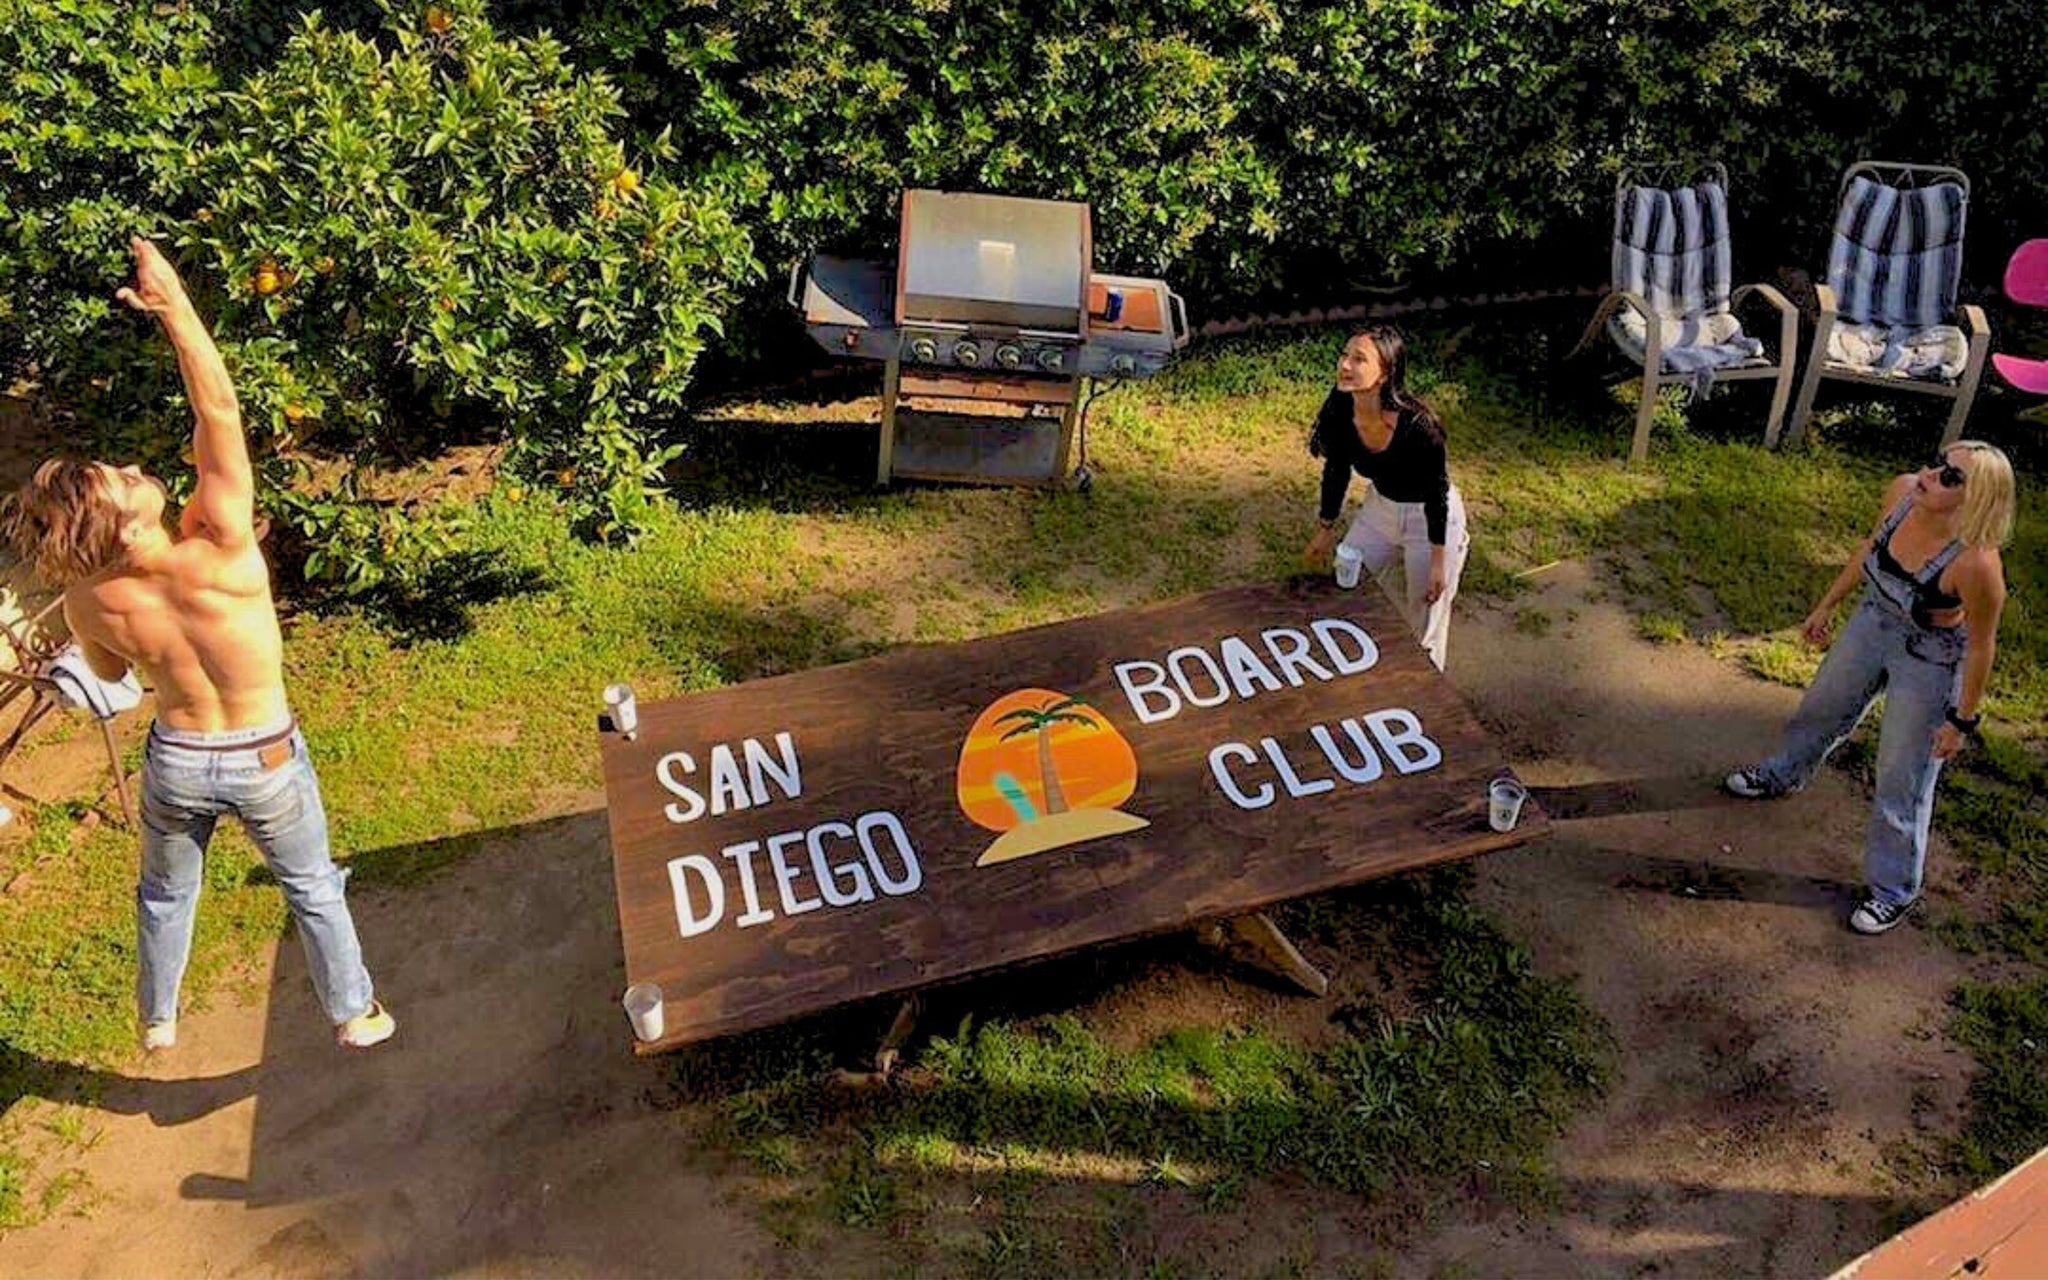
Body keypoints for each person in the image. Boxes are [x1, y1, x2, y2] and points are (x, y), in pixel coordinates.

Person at [2, 238, 394, 1051]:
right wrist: (175, 306)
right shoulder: (219, 543)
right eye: (123, 479)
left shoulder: (88, 601)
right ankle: (354, 1014)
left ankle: (159, 1017)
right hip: (265, 756)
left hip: (178, 761)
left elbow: (111, 677)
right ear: (127, 525)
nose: (132, 465)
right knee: (312, 885)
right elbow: (218, 412)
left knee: (164, 894)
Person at [1725, 442, 2015, 935]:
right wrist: (1826, 606)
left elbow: (1980, 646)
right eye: (1938, 461)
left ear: (1976, 501)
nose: (1930, 474)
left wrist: (1960, 720)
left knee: (1903, 772)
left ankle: (1893, 890)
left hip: (1930, 656)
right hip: (1872, 620)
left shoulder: (1978, 565)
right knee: (1822, 709)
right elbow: (1869, 548)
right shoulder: (1902, 492)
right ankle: (1783, 774)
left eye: (1950, 477)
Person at [1303, 326, 1471, 670]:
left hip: (1430, 518)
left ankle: (1426, 691)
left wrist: (1439, 561)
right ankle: (1352, 672)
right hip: (1379, 510)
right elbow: (1336, 471)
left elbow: (1436, 492)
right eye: (1344, 355)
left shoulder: (1419, 425)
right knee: (1345, 583)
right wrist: (1325, 529)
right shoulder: (1340, 409)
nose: (1345, 365)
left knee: (1425, 618)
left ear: (1384, 374)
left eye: (1359, 359)